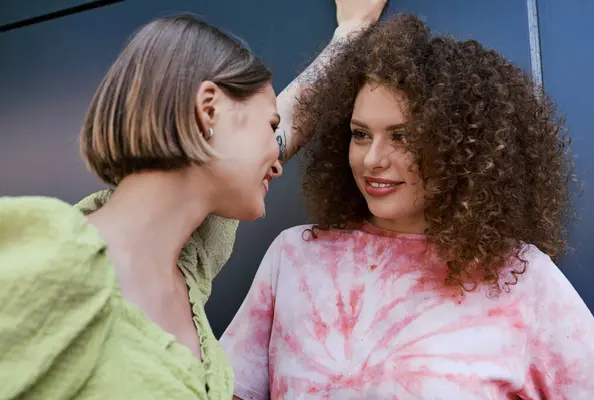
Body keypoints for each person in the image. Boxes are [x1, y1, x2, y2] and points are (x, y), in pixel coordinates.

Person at [0, 1, 387, 398]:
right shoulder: (53, 253)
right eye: (267, 127)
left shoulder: (187, 269)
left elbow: (289, 121)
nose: (277, 159)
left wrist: (353, 31)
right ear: (208, 110)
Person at [219, 13, 594, 399]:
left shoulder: (522, 278)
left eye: (402, 136)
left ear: (460, 147)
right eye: (361, 134)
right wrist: (348, 35)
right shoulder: (294, 257)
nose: (373, 160)